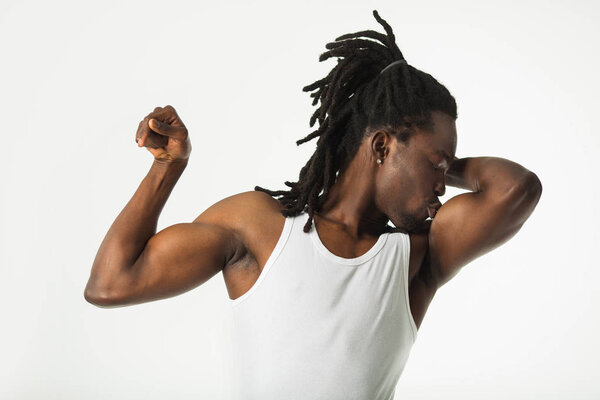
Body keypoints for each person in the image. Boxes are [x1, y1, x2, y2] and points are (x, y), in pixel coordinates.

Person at [84, 10, 542, 399]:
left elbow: (516, 189)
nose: (443, 187)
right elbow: (111, 284)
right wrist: (167, 167)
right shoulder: (259, 227)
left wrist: (437, 159)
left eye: (447, 171)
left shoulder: (416, 257)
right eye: (436, 167)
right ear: (382, 146)